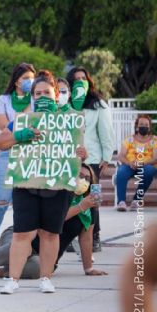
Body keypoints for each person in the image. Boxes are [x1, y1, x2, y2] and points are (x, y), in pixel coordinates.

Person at [0, 70, 88, 294]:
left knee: (50, 233)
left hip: (57, 183)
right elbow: (0, 142)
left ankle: (46, 278)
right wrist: (21, 135)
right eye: (38, 93)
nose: (42, 96)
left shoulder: (69, 121)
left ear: (56, 94)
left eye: (47, 92)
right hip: (27, 181)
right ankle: (13, 279)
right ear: (32, 96)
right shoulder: (23, 119)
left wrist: (81, 153)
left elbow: (78, 151)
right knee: (22, 233)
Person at [0, 164, 108, 280]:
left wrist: (88, 268)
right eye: (80, 176)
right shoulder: (60, 195)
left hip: (43, 254)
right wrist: (80, 206)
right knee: (23, 247)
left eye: (87, 179)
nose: (83, 181)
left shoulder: (89, 210)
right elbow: (54, 218)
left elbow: (86, 239)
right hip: (19, 237)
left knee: (37, 269)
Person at [0, 62, 36, 253]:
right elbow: (4, 126)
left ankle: (27, 236)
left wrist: (18, 122)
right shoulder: (3, 100)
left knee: (29, 199)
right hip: (8, 152)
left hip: (31, 152)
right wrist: (26, 115)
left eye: (32, 78)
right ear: (17, 80)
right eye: (26, 78)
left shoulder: (38, 98)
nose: (30, 82)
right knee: (1, 198)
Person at [66, 67, 113, 252]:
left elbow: (106, 131)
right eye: (76, 79)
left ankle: (95, 236)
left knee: (92, 198)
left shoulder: (98, 104)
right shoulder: (66, 104)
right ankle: (69, 236)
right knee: (69, 199)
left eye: (83, 78)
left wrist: (107, 157)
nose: (80, 82)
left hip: (92, 159)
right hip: (69, 158)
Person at [114, 115, 156, 211]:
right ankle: (121, 202)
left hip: (147, 165)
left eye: (146, 124)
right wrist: (129, 163)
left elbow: (155, 158)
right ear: (137, 126)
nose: (143, 126)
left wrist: (141, 163)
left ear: (149, 127)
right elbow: (121, 156)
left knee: (149, 171)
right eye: (141, 124)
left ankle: (136, 200)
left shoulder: (155, 140)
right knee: (121, 172)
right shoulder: (129, 139)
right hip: (130, 165)